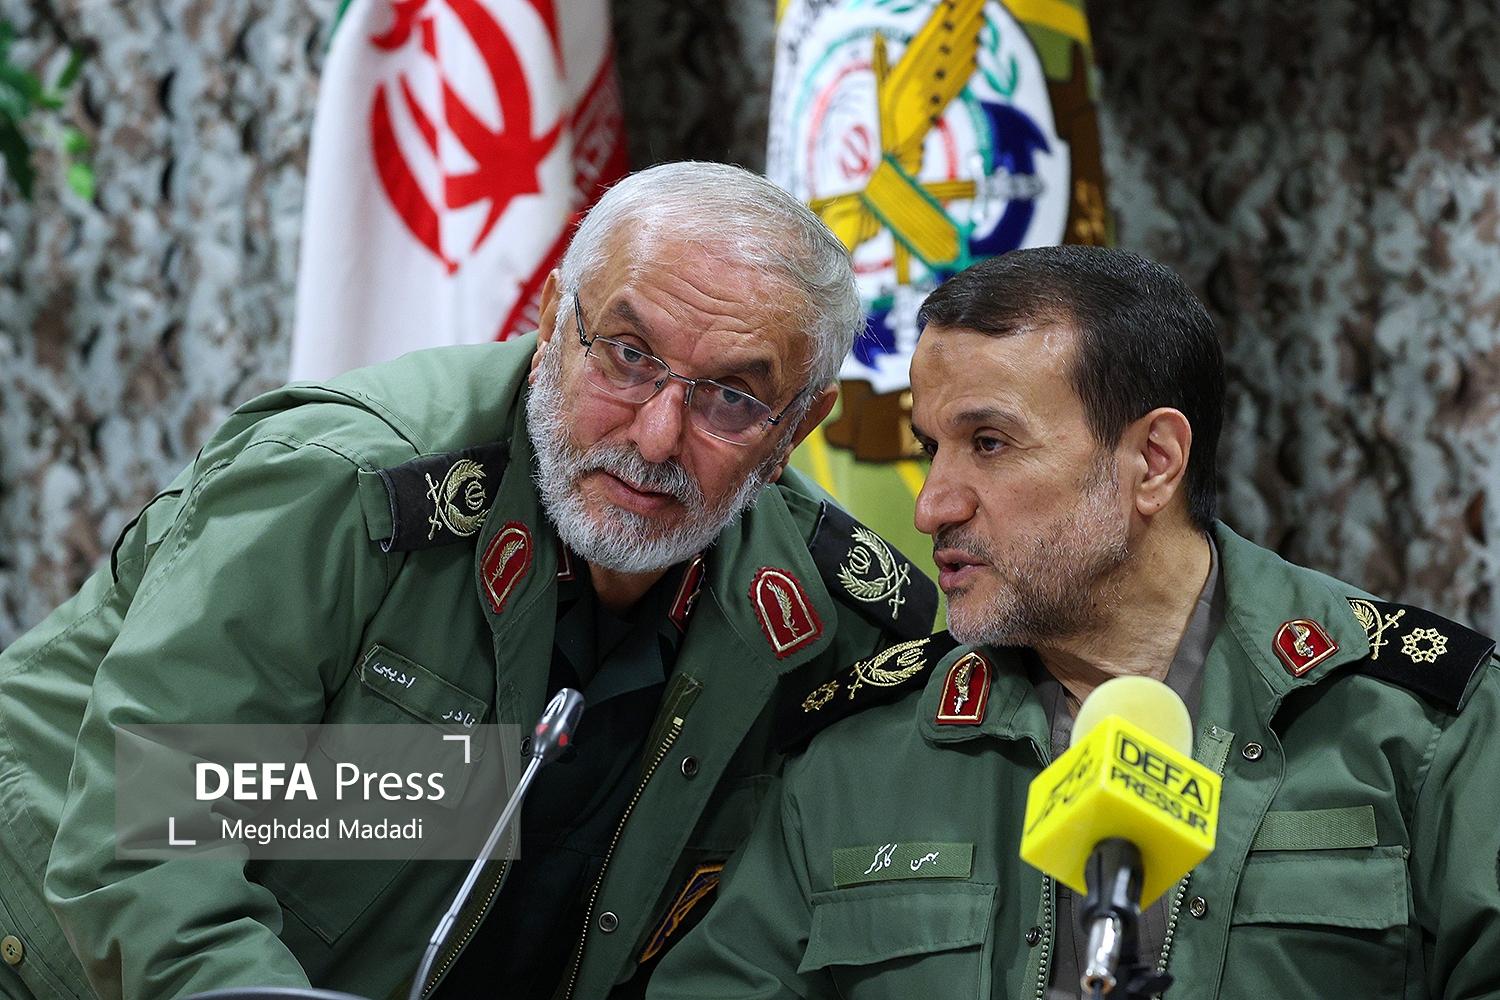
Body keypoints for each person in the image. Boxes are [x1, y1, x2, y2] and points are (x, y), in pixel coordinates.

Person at [0, 161, 938, 1000]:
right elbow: (151, 841)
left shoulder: (835, 619)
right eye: (627, 354)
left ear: (795, 430)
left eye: (731, 397)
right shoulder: (349, 482)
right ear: (551, 322)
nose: (656, 437)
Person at [646, 245, 1500, 1000]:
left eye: (988, 443)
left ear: (1153, 462)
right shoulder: (857, 755)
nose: (931, 506)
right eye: (930, 449)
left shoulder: (1419, 724)